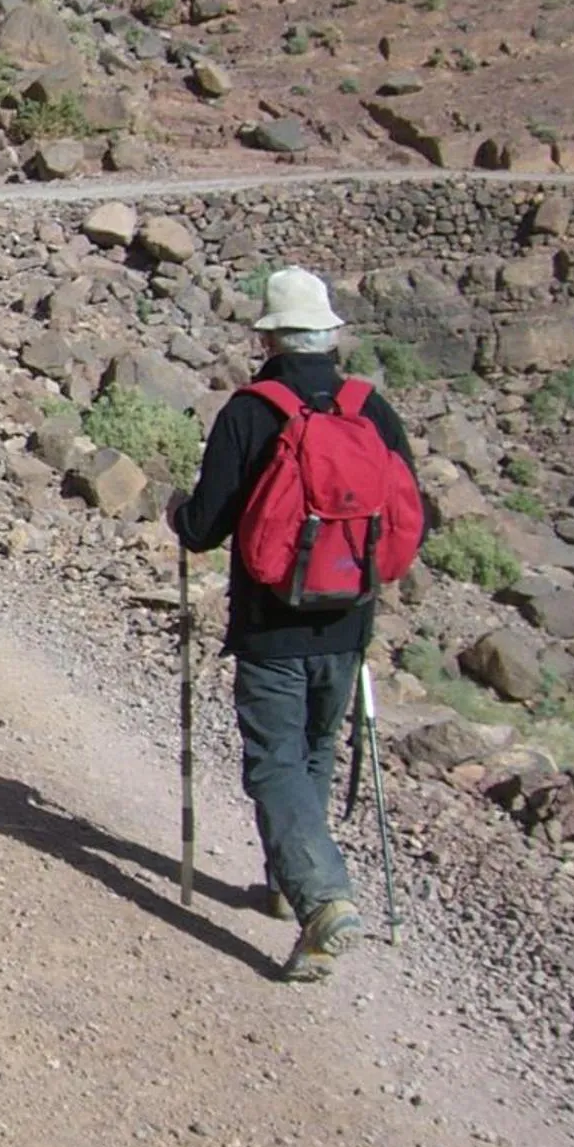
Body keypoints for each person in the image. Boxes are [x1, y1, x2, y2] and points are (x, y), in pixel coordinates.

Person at [168, 267, 418, 984]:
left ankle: (324, 901)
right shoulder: (372, 410)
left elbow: (205, 528)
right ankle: (289, 885)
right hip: (349, 620)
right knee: (313, 751)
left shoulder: (252, 411)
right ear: (330, 337)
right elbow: (403, 515)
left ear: (271, 338)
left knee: (274, 760)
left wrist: (177, 514)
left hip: (273, 622)